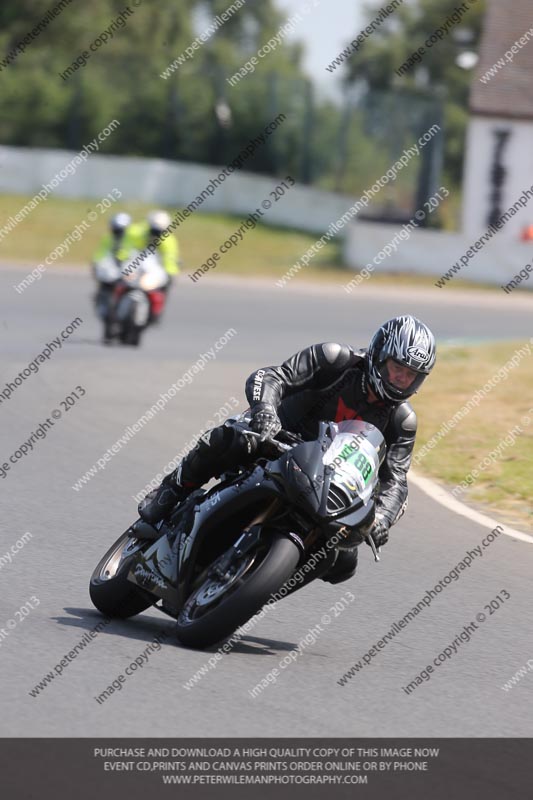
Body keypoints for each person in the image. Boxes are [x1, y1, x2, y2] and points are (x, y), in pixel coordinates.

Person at [139, 315, 436, 585]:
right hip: (275, 439)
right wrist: (265, 411)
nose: (402, 379)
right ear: (379, 356)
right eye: (398, 368)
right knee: (232, 438)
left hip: (328, 481)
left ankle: (261, 583)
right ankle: (172, 490)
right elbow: (270, 377)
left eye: (411, 375)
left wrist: (382, 520)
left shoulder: (402, 421)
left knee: (344, 561)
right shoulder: (335, 359)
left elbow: (395, 480)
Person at [91, 212, 131, 319]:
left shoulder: (132, 240)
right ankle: (102, 302)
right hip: (111, 270)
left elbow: (135, 254)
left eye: (120, 230)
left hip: (126, 269)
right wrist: (96, 264)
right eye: (116, 229)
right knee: (104, 284)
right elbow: (100, 254)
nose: (118, 232)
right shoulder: (107, 238)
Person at [122, 210, 180, 278]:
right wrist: (121, 260)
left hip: (153, 271)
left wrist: (170, 274)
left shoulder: (168, 241)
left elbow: (170, 257)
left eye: (159, 231)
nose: (156, 233)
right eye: (154, 229)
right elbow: (127, 248)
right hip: (135, 269)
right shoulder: (138, 232)